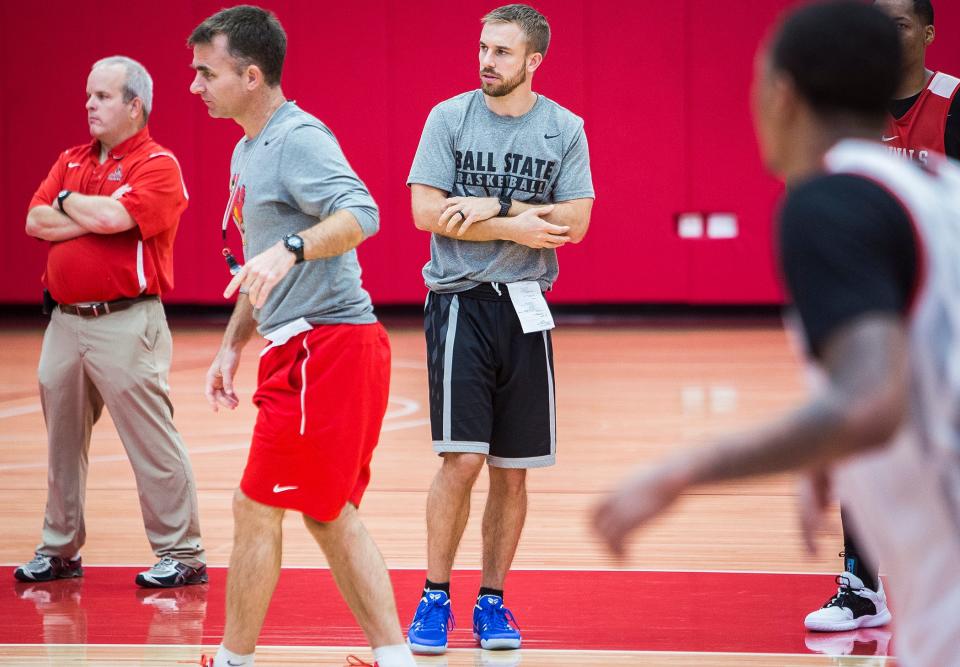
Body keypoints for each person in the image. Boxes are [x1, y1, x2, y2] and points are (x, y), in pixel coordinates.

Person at [592, 2, 960, 666]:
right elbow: (919, 345)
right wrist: (829, 445)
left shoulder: (827, 200)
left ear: (783, 94)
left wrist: (682, 471)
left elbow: (870, 401)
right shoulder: (933, 187)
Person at [187, 6, 415, 667]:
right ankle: (394, 655)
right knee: (326, 510)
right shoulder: (246, 148)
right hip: (303, 348)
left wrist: (293, 245)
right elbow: (262, 269)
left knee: (257, 504)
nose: (195, 85)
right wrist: (234, 345)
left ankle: (234, 659)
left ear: (250, 76)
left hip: (329, 348)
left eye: (207, 73)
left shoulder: (300, 139)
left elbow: (362, 212)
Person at [405, 3, 594, 655]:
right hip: (460, 301)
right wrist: (514, 227)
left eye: (503, 52)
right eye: (483, 48)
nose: (487, 60)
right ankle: (433, 596)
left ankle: (492, 601)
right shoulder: (448, 118)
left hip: (527, 306)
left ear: (533, 60)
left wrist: (499, 205)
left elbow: (577, 221)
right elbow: (426, 210)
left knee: (513, 471)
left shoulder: (564, 128)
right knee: (460, 460)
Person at [18, 56, 205, 589]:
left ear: (134, 105)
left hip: (126, 323)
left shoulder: (158, 164)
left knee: (151, 441)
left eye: (102, 97)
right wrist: (79, 208)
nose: (89, 106)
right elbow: (35, 220)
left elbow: (111, 218)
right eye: (87, 96)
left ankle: (183, 554)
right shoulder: (70, 159)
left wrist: (66, 203)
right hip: (64, 322)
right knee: (60, 445)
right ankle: (59, 550)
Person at [805, 0, 960, 634]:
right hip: (872, 312)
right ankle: (862, 587)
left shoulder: (954, 102)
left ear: (927, 31)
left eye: (900, 23)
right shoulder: (849, 109)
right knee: (857, 444)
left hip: (943, 310)